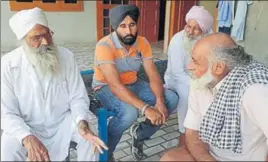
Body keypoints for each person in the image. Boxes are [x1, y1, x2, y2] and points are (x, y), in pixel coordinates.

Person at [1, 7, 108, 161]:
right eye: (36, 38)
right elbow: (6, 112)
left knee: (89, 135)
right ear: (23, 40)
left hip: (63, 122)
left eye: (47, 34)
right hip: (28, 126)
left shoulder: (66, 56)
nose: (45, 42)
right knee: (7, 146)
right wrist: (27, 137)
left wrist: (81, 122)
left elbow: (77, 96)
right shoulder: (8, 65)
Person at [160, 33, 268, 161]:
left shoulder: (255, 89)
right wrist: (206, 159)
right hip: (210, 156)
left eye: (195, 61)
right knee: (170, 159)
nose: (189, 67)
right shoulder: (201, 81)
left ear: (218, 67)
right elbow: (192, 132)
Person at [92, 4, 179, 161]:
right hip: (105, 88)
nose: (128, 31)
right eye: (123, 26)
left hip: (133, 84)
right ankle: (106, 153)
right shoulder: (104, 45)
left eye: (132, 25)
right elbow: (115, 86)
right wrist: (146, 109)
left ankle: (140, 134)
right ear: (114, 27)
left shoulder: (142, 43)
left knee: (171, 99)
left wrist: (159, 101)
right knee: (129, 113)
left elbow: (153, 75)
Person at [164, 6, 213, 145]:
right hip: (177, 79)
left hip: (201, 77)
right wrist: (200, 83)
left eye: (196, 28)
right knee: (188, 94)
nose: (190, 31)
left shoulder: (210, 38)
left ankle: (206, 129)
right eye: (188, 26)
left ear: (204, 30)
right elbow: (178, 73)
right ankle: (184, 130)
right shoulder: (177, 40)